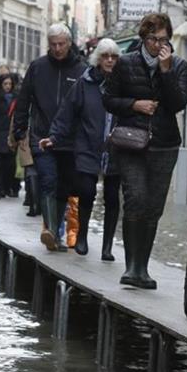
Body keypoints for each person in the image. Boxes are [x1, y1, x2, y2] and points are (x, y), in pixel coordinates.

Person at [102, 13, 187, 289]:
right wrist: (134, 105)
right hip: (131, 142)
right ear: (143, 38)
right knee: (136, 198)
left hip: (165, 144)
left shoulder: (179, 66)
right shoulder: (125, 63)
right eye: (153, 39)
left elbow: (178, 103)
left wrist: (165, 72)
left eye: (164, 39)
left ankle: (143, 268)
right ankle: (131, 267)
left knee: (153, 207)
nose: (158, 44)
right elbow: (108, 99)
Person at [39, 38, 122, 259]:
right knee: (86, 190)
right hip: (87, 144)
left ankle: (107, 248)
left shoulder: (123, 83)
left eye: (114, 56)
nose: (110, 60)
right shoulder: (84, 84)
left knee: (113, 196)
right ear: (98, 59)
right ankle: (82, 236)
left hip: (116, 148)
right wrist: (54, 137)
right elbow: (67, 112)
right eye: (106, 56)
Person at [12, 23, 87, 251]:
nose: (57, 48)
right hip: (41, 135)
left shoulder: (81, 70)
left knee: (65, 185)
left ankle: (59, 231)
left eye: (61, 44)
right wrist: (19, 129)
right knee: (48, 181)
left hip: (70, 139)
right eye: (53, 44)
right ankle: (52, 232)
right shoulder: (37, 67)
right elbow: (24, 100)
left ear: (69, 43)